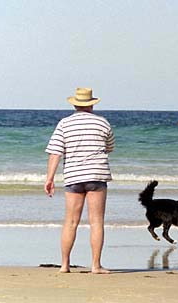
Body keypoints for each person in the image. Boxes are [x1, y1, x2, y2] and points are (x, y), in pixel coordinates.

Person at [44, 87, 115, 274]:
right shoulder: (103, 122)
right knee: (97, 222)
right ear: (91, 103)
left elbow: (55, 152)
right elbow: (109, 147)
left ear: (75, 104)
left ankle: (65, 265)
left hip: (74, 176)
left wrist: (50, 178)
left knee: (71, 222)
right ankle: (95, 265)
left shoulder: (64, 124)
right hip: (97, 175)